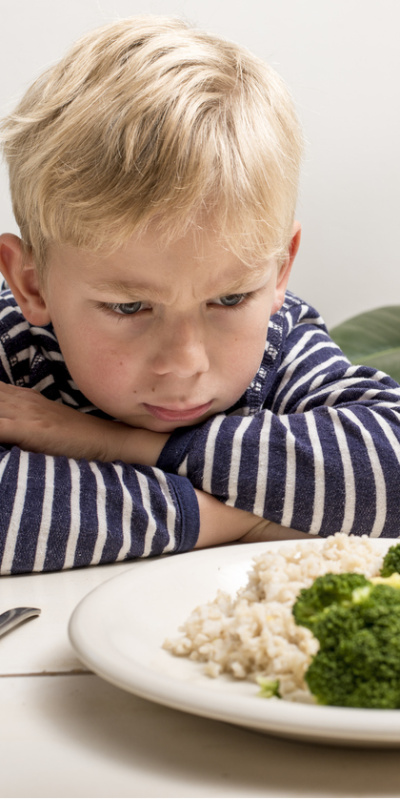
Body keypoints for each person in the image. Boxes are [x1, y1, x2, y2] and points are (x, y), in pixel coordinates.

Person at [0, 16, 399, 575]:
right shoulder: (9, 346)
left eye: (229, 300)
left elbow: (390, 464)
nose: (186, 364)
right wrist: (232, 520)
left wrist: (113, 443)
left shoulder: (279, 345)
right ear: (31, 284)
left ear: (280, 268)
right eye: (129, 307)